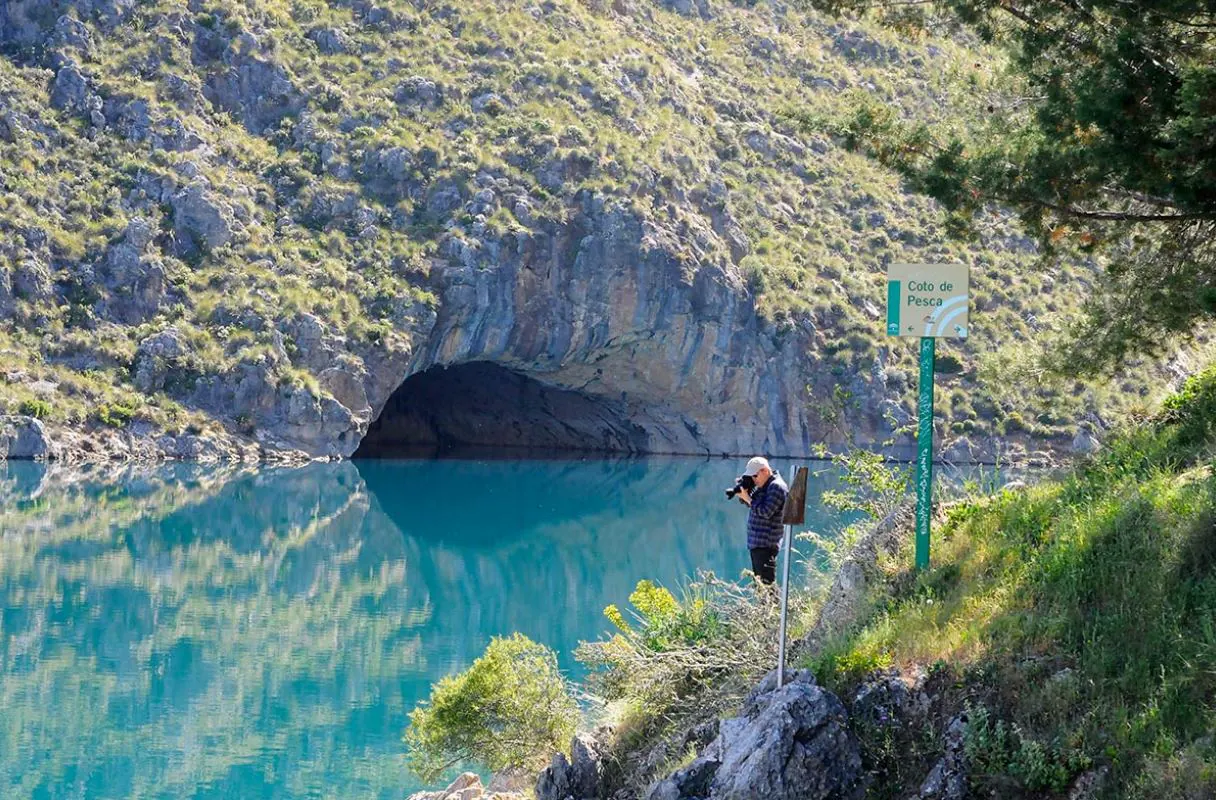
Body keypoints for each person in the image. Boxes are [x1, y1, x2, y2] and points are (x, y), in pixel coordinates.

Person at [736, 456, 788, 585]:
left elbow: (765, 512)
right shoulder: (765, 485)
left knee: (766, 585)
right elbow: (755, 506)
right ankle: (768, 605)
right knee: (760, 585)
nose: (754, 479)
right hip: (758, 543)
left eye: (755, 476)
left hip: (766, 544)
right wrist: (746, 493)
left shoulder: (776, 487)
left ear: (765, 470)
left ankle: (773, 605)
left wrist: (748, 499)